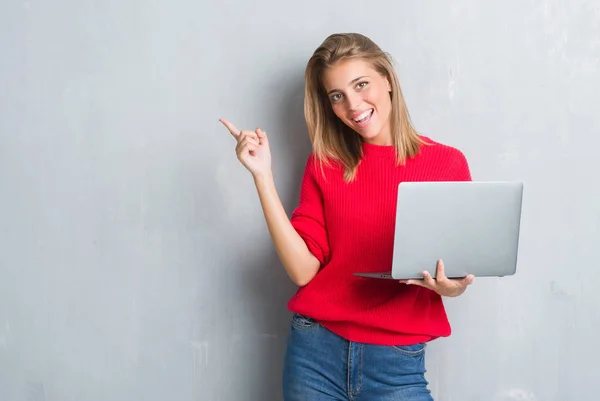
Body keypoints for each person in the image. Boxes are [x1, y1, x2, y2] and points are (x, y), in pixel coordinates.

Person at [220, 32, 475, 401]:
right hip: (314, 354)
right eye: (337, 96)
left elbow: (455, 279)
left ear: (387, 79)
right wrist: (262, 177)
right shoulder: (325, 165)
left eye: (361, 84)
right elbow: (303, 271)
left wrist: (450, 286)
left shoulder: (447, 163)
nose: (353, 105)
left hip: (397, 363)